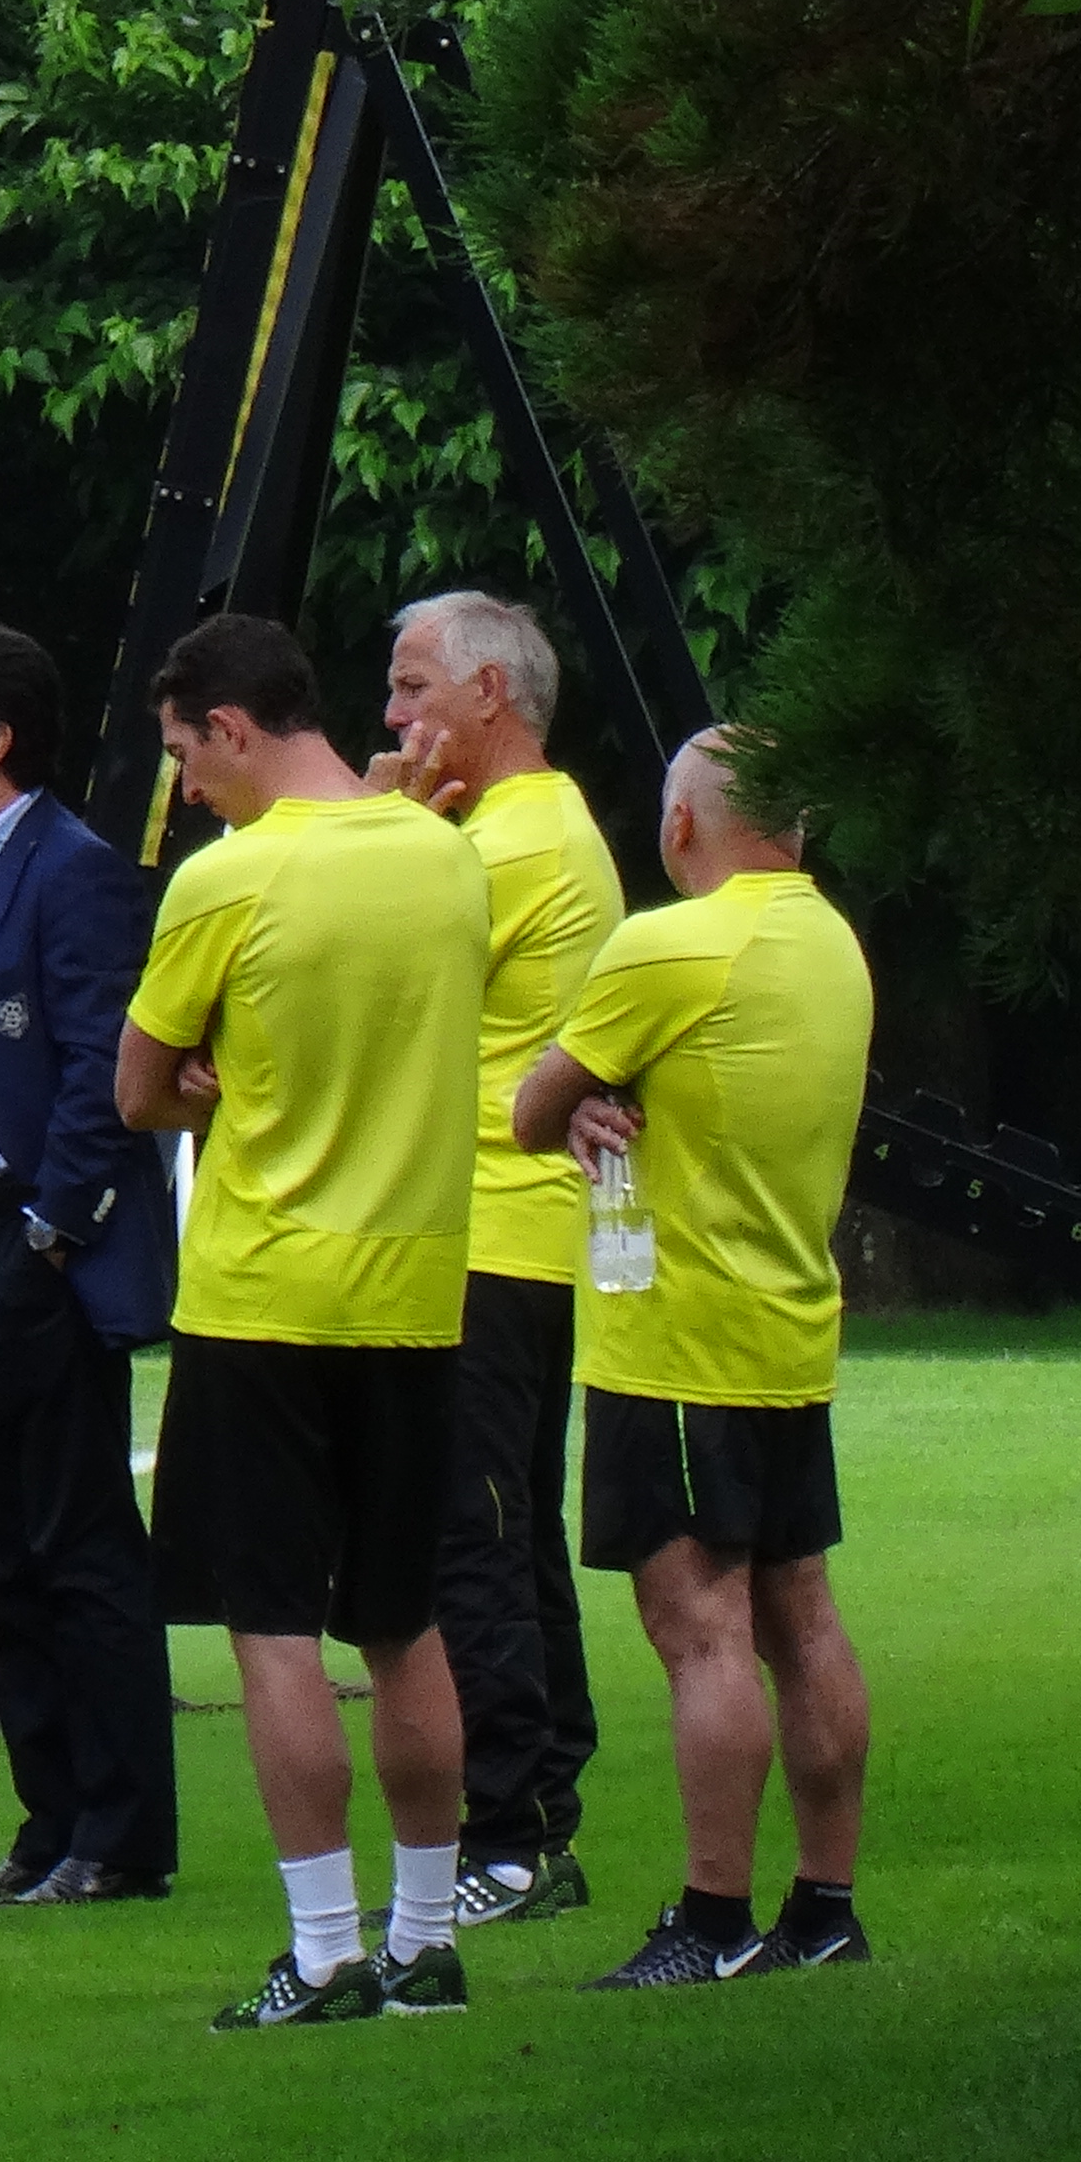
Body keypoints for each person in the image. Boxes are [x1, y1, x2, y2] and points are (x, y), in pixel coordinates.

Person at [115, 613, 494, 2031]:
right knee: (404, 1622)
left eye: (183, 754)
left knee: (272, 1628)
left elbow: (138, 1089)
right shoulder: (447, 861)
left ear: (229, 727)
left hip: (267, 1293)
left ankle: (326, 1949)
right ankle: (428, 1935)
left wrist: (205, 1077)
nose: (185, 787)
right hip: (413, 1290)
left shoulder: (230, 879)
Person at [519, 730, 880, 1990]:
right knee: (802, 1617)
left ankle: (712, 1920)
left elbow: (529, 1106)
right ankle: (825, 1906)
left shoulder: (671, 943)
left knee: (700, 1629)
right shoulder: (833, 945)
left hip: (675, 1339)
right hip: (788, 1329)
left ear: (680, 829)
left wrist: (573, 1106)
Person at [0, 619, 179, 1914]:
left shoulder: (74, 873)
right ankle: (49, 1827)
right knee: (4, 1549)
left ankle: (117, 1837)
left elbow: (100, 1077)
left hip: (29, 1250)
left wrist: (53, 1230)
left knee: (77, 1543)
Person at [378, 588, 626, 1926]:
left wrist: (387, 822)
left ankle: (515, 1832)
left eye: (413, 688)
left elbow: (365, 957)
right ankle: (539, 1810)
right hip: (518, 1231)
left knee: (467, 1539)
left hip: (482, 1227)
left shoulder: (501, 847)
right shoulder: (527, 825)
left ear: (491, 697)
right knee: (508, 1534)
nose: (393, 716)